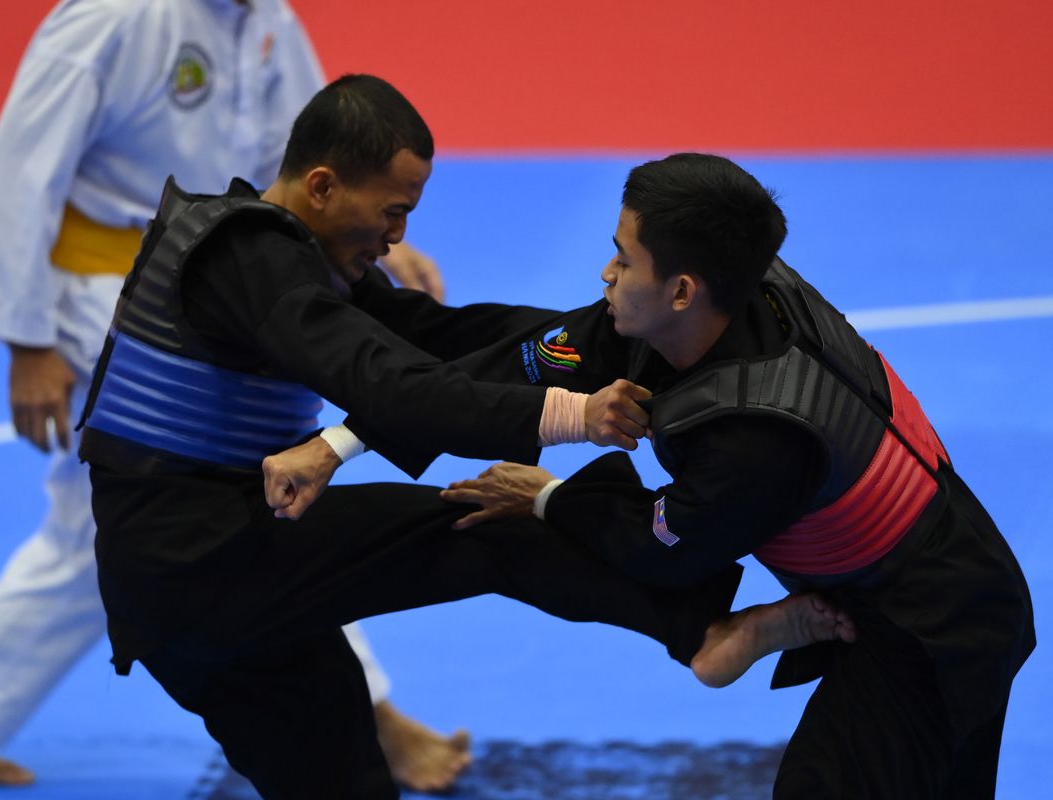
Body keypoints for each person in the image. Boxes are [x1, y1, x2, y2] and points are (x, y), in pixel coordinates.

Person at [79, 74, 854, 800]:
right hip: (195, 562)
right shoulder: (252, 260)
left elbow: (442, 339)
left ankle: (700, 630)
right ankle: (701, 633)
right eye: (391, 211)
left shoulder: (290, 259)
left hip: (214, 578)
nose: (398, 237)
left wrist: (624, 335)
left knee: (343, 783)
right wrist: (573, 414)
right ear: (321, 186)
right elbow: (396, 388)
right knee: (488, 521)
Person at [0, 0, 458, 791]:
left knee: (121, 527)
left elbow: (326, 151)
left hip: (225, 281)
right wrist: (27, 337)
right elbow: (21, 163)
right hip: (112, 300)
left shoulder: (262, 16)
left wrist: (381, 238)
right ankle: (372, 716)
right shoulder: (112, 16)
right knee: (256, 496)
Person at [440, 153, 1036, 798]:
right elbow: (544, 354)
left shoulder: (755, 442)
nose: (606, 273)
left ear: (681, 290)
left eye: (623, 259)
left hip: (933, 631)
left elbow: (659, 551)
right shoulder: (728, 292)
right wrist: (358, 433)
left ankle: (735, 634)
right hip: (921, 581)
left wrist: (549, 498)